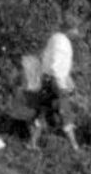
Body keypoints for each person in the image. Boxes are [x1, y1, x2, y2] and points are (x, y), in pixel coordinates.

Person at [31, 14, 82, 151]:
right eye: (76, 29)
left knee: (43, 111)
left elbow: (44, 57)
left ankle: (32, 143)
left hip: (47, 78)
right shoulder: (63, 43)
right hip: (55, 81)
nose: (77, 33)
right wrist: (62, 85)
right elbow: (56, 66)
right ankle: (75, 147)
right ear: (70, 29)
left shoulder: (54, 38)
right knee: (65, 113)